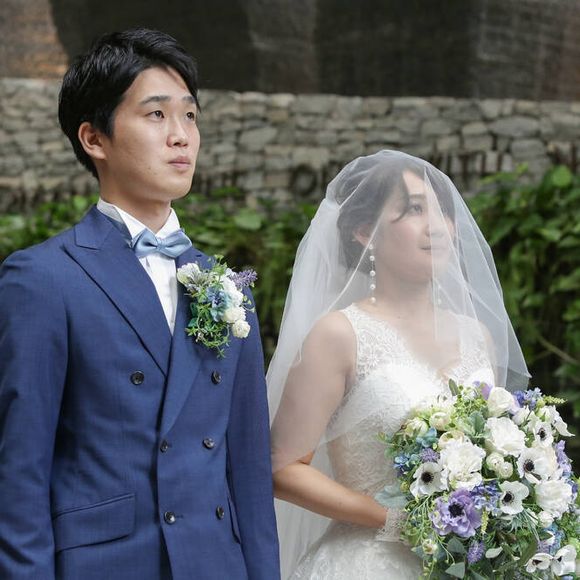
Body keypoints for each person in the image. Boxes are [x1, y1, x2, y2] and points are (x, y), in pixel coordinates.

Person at [0, 28, 279, 580]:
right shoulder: (43, 279)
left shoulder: (228, 286)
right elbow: (18, 472)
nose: (181, 136)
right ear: (94, 138)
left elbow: (249, 469)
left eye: (190, 116)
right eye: (156, 115)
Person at [267, 150, 529, 579]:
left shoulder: (476, 335)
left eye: (442, 212)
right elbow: (282, 468)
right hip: (368, 563)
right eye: (414, 210)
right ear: (364, 232)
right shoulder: (339, 335)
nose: (438, 226)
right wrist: (395, 520)